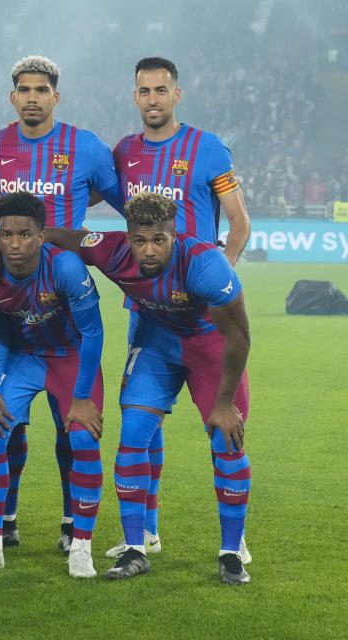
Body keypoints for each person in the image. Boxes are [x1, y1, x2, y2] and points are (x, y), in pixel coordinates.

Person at [41, 191, 252, 584]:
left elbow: (239, 336)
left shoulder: (207, 266)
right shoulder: (110, 249)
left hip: (211, 347)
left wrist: (223, 403)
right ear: (128, 237)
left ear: (175, 234)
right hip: (158, 344)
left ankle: (231, 552)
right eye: (140, 241)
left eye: (159, 240)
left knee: (226, 439)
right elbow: (59, 235)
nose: (148, 250)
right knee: (133, 434)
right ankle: (137, 549)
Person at [0, 55, 121, 552]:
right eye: (23, 90)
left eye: (42, 89)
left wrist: (69, 239)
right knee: (4, 428)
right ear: (13, 97)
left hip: (64, 300)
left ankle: (68, 523)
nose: (32, 97)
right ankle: (4, 521)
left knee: (68, 430)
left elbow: (119, 202)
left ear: (57, 96)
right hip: (13, 307)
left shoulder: (88, 148)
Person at [105, 56, 252, 560]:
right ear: (135, 97)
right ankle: (145, 530)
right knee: (141, 423)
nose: (152, 99)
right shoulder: (123, 153)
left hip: (200, 315)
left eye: (161, 90)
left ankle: (236, 540)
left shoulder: (208, 149)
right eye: (144, 91)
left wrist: (218, 279)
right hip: (147, 313)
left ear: (176, 94)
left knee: (224, 429)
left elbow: (239, 225)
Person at [0, 191, 105, 576]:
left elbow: (94, 333)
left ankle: (82, 546)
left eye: (25, 235)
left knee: (82, 437)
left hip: (70, 356)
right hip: (24, 358)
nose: (15, 244)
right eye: (6, 235)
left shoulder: (66, 268)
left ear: (42, 235)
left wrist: (81, 397)